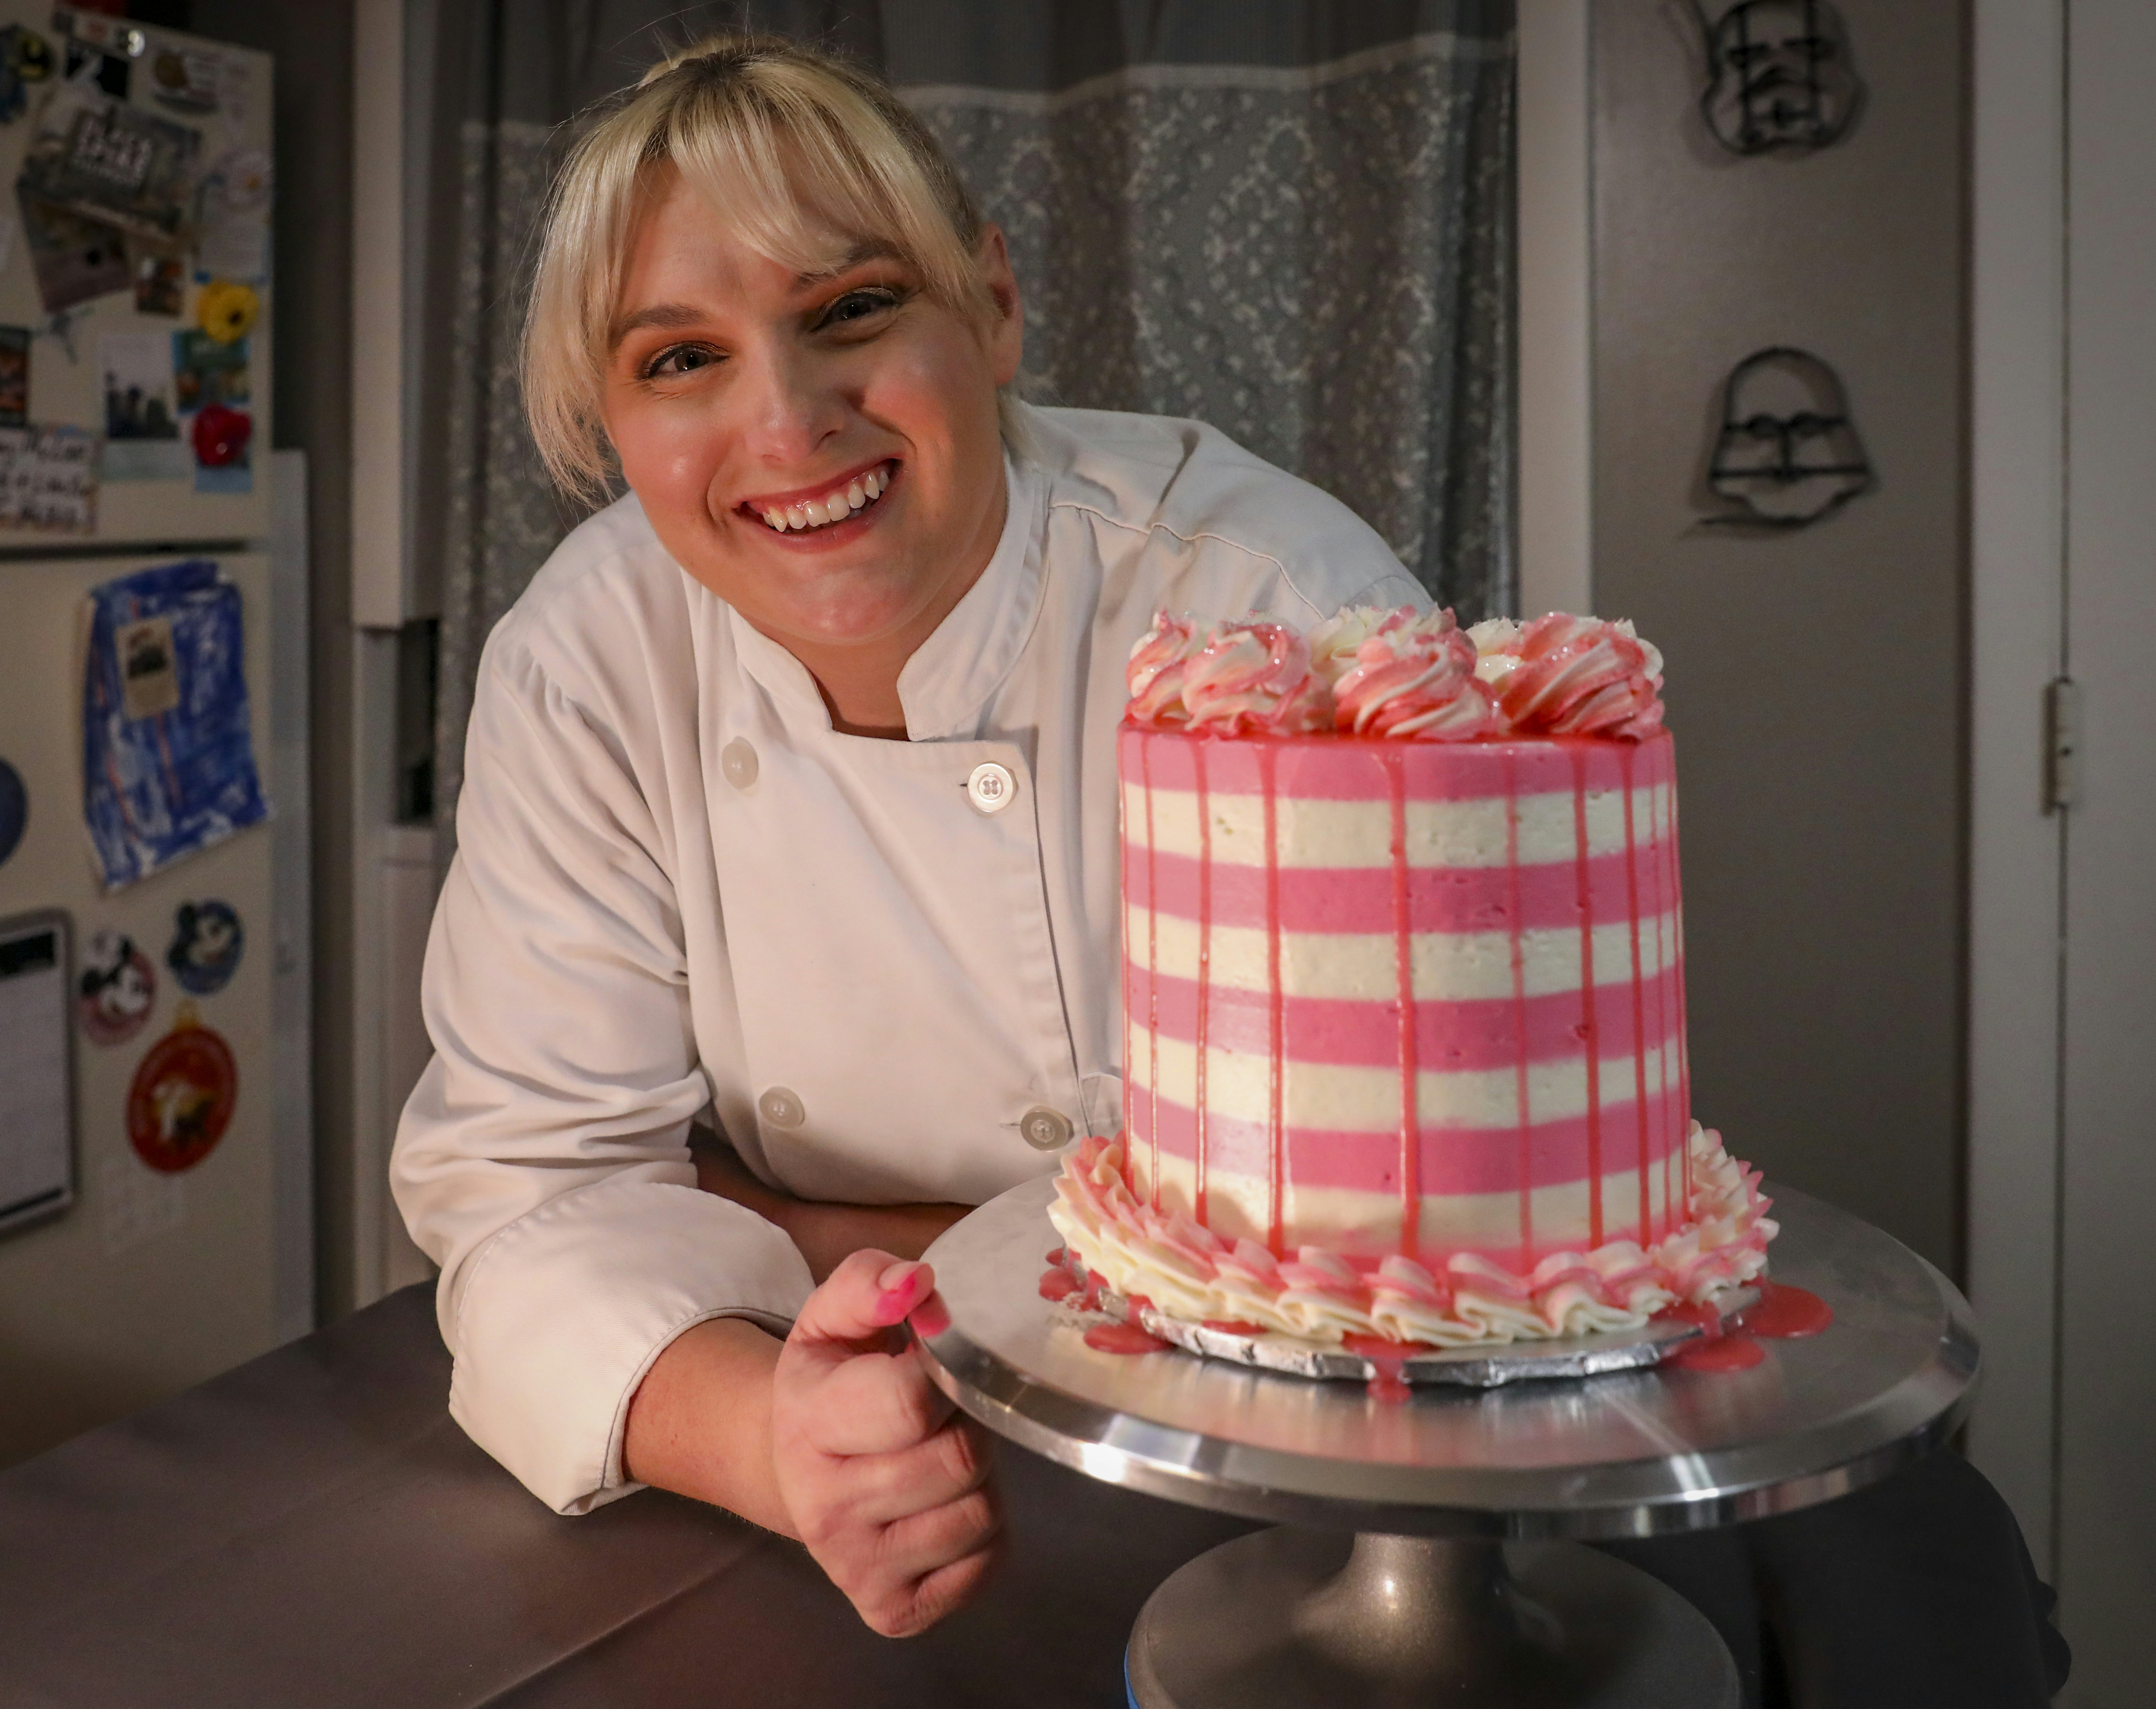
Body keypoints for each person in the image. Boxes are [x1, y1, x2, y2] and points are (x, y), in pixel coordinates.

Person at [390, 34, 1417, 1639]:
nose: (787, 425)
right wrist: (772, 1440)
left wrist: (802, 1225)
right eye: (680, 360)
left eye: (850, 312)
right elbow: (531, 1190)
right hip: (833, 1457)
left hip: (1294, 1503)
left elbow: (1394, 1233)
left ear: (991, 311)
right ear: (610, 413)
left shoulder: (1269, 614)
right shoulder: (590, 656)